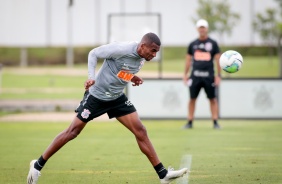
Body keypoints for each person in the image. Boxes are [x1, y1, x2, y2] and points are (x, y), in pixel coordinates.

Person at [27, 33, 188, 184]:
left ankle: (163, 174)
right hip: (96, 97)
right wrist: (91, 78)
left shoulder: (142, 58)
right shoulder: (122, 49)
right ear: (143, 45)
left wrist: (132, 77)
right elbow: (93, 54)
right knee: (72, 132)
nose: (154, 55)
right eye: (153, 51)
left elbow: (117, 70)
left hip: (116, 98)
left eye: (156, 52)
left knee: (140, 130)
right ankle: (37, 165)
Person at [183, 19, 221, 129]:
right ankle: (190, 122)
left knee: (213, 99)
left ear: (207, 29)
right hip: (195, 76)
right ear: (197, 29)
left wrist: (218, 76)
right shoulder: (192, 44)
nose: (202, 29)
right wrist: (185, 75)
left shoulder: (213, 44)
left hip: (209, 77)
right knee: (192, 99)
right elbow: (188, 61)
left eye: (203, 27)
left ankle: (215, 122)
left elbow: (218, 60)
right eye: (200, 27)